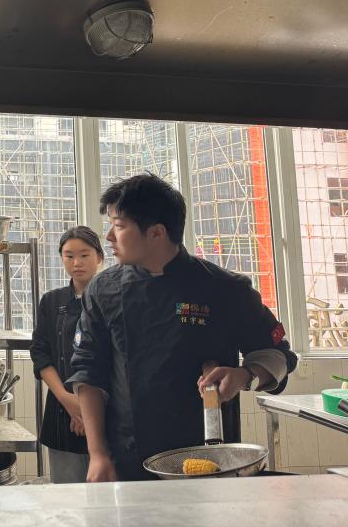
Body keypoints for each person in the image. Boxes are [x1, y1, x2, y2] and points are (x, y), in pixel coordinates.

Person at [67, 173, 298, 482]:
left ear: (157, 233)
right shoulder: (103, 289)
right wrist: (97, 454)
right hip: (126, 459)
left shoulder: (224, 289)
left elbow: (280, 355)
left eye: (118, 226)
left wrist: (244, 374)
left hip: (208, 460)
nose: (108, 236)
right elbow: (88, 371)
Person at [30, 226, 104, 484]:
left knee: (104, 497)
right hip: (61, 413)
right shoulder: (51, 301)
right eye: (69, 255)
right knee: (66, 495)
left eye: (84, 255)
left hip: (106, 411)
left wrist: (87, 408)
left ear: (99, 257)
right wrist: (67, 400)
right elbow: (41, 353)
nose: (76, 263)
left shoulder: (113, 298)